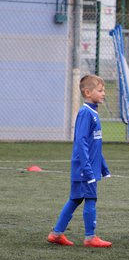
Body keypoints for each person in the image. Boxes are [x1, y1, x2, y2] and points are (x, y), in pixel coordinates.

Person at [47, 74, 112, 248]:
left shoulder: (93, 113)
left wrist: (103, 167)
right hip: (85, 168)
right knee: (91, 198)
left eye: (103, 90)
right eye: (100, 90)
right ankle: (90, 237)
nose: (103, 93)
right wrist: (88, 169)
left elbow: (94, 145)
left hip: (87, 166)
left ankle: (56, 233)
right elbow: (81, 143)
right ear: (88, 92)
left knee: (75, 199)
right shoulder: (86, 113)